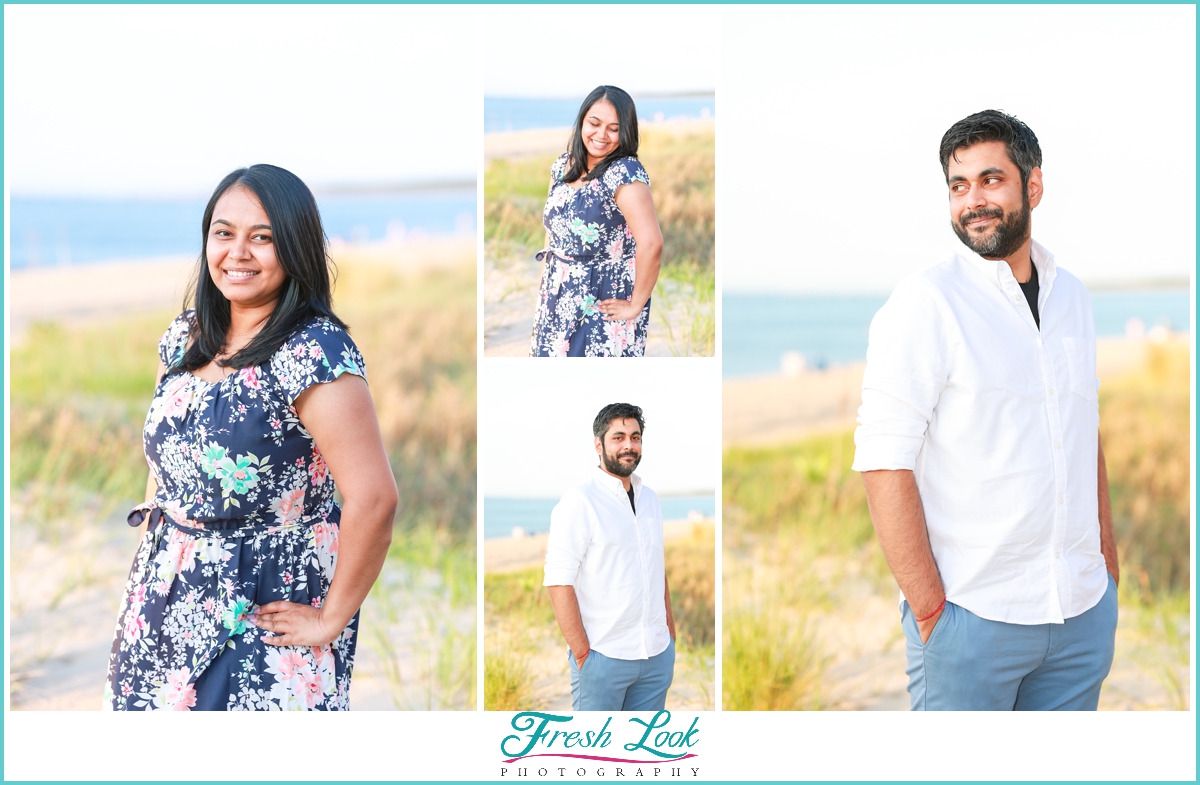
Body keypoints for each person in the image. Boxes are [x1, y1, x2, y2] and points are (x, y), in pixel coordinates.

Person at [104, 164, 399, 710]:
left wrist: (332, 618)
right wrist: (157, 522)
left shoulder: (314, 352)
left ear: (294, 248)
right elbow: (169, 436)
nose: (238, 252)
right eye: (224, 232)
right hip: (164, 593)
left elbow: (375, 499)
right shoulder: (187, 334)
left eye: (261, 237)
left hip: (261, 602)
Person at [852, 110, 1119, 711]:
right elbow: (882, 461)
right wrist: (929, 611)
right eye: (958, 185)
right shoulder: (925, 303)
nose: (974, 200)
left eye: (991, 180)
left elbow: (1080, 432)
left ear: (1034, 185)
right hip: (973, 620)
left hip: (1080, 613)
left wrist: (1107, 574)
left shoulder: (1072, 296)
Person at [543, 403, 676, 710]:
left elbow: (656, 569)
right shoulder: (579, 501)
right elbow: (558, 581)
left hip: (656, 657)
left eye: (635, 437)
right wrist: (582, 654)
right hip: (603, 658)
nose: (629, 445)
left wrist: (669, 635)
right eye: (618, 437)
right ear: (598, 444)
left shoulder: (651, 499)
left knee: (640, 754)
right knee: (597, 754)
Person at [529, 86, 664, 357]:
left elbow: (652, 244)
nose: (601, 134)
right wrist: (545, 285)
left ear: (625, 132)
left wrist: (635, 305)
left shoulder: (624, 173)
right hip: (556, 298)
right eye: (594, 123)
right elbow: (552, 232)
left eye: (614, 128)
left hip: (601, 303)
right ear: (582, 121)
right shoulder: (563, 166)